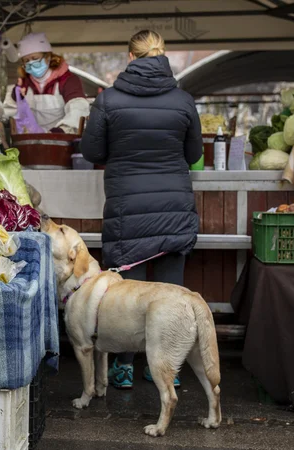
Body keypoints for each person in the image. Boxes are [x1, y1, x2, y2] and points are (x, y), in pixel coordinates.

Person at [80, 30, 202, 390]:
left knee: (125, 293)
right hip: (173, 207)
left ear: (130, 57)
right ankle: (164, 367)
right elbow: (193, 154)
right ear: (163, 55)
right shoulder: (183, 101)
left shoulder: (108, 100)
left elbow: (92, 152)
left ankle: (123, 367)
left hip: (126, 208)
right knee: (170, 292)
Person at [3, 32, 90, 133]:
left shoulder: (68, 80)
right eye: (26, 60)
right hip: (32, 140)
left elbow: (78, 108)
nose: (31, 62)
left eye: (35, 58)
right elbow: (10, 112)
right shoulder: (24, 82)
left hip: (63, 139)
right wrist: (16, 97)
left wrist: (63, 130)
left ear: (48, 57)